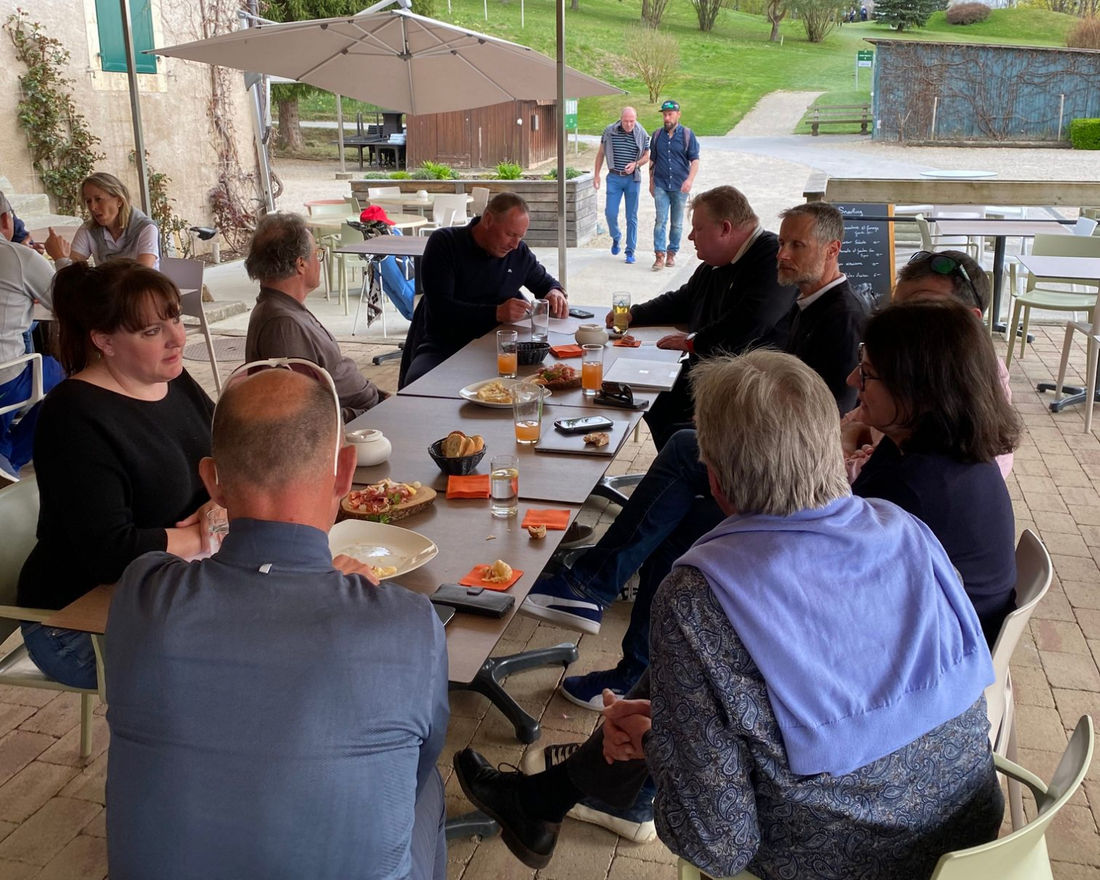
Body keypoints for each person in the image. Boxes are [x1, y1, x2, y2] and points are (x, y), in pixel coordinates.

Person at [455, 351, 1003, 875]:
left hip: (851, 863)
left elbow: (717, 847)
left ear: (714, 480)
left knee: (691, 664)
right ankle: (545, 801)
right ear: (831, 449)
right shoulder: (904, 527)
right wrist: (668, 733)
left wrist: (656, 744)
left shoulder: (699, 596)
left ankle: (554, 800)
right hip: (977, 839)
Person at [105, 364, 448, 880]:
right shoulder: (410, 622)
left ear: (212, 482)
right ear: (345, 472)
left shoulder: (143, 594)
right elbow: (420, 758)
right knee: (426, 784)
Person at [523, 202, 863, 704]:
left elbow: (825, 426)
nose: (783, 254)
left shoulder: (843, 318)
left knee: (685, 448)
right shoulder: (807, 303)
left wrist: (735, 432)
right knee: (672, 524)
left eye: (797, 245)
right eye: (783, 242)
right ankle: (632, 670)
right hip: (772, 462)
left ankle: (591, 587)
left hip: (789, 484)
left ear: (832, 250)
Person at [16, 260, 217, 690]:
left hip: (168, 587)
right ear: (103, 340)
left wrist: (219, 503)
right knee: (245, 662)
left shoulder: (172, 378)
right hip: (76, 625)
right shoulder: (73, 416)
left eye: (174, 318)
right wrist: (208, 533)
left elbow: (231, 456)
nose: (177, 338)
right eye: (152, 331)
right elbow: (111, 553)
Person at [850, 298, 1020, 646]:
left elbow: (845, 571)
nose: (852, 379)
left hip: (941, 652)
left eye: (867, 374)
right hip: (955, 627)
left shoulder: (914, 488)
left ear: (919, 392)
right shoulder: (949, 443)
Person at [618, 185, 797, 450]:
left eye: (698, 228)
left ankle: (690, 467)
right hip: (713, 373)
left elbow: (751, 321)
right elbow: (683, 299)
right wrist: (633, 314)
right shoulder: (716, 263)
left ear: (725, 228)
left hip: (748, 388)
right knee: (649, 393)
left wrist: (693, 341)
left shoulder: (770, 259)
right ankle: (679, 464)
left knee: (672, 424)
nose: (691, 236)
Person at [399, 193, 568, 386]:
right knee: (418, 383)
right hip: (446, 345)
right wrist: (496, 313)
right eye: (510, 234)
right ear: (488, 220)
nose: (514, 244)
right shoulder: (446, 243)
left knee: (544, 379)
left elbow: (545, 283)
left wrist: (555, 291)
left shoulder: (517, 253)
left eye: (520, 237)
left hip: (502, 346)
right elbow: (441, 310)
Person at [244, 212, 385, 421]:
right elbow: (298, 415)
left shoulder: (284, 309)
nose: (319, 261)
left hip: (367, 410)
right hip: (353, 426)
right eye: (317, 253)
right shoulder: (283, 326)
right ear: (301, 264)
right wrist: (362, 415)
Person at [0, 190, 64, 479]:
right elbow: (72, 303)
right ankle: (11, 459)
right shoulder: (18, 257)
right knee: (73, 375)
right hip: (6, 378)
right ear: (6, 220)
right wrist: (61, 258)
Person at [43, 172, 160, 269]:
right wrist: (60, 257)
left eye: (98, 199)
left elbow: (142, 276)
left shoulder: (145, 228)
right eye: (88, 201)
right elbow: (72, 275)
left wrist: (61, 259)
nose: (92, 207)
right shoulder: (88, 229)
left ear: (119, 200)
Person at [648, 99, 699, 271]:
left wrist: (689, 180)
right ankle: (659, 255)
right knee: (660, 221)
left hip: (680, 186)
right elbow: (652, 161)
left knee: (677, 223)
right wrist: (651, 182)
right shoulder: (657, 135)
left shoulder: (687, 135)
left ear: (678, 115)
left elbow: (695, 160)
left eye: (670, 114)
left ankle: (672, 253)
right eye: (664, 115)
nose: (667, 118)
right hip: (660, 184)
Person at [594, 107, 649, 265]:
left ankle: (630, 251)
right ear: (620, 119)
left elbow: (647, 155)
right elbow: (600, 154)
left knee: (631, 216)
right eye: (626, 121)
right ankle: (616, 236)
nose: (629, 124)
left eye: (632, 121)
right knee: (610, 213)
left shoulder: (642, 133)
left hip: (632, 179)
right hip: (614, 177)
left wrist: (636, 164)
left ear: (636, 119)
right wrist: (596, 175)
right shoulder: (609, 131)